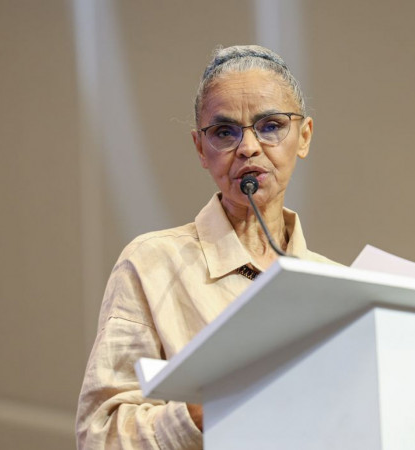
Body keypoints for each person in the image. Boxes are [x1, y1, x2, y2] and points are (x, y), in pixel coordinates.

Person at [75, 45, 335, 449]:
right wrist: (202, 412)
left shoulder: (336, 286)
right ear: (201, 149)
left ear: (304, 137)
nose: (248, 147)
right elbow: (101, 435)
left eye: (270, 126)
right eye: (225, 132)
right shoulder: (152, 263)